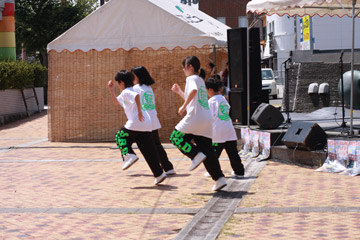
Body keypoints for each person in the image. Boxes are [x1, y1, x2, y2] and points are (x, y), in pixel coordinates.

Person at [170, 55, 227, 191]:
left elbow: (193, 92)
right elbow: (193, 97)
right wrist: (179, 92)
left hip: (195, 117)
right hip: (206, 118)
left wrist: (183, 107)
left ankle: (195, 154)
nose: (183, 71)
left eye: (184, 68)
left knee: (175, 137)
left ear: (190, 67)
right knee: (207, 150)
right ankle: (219, 179)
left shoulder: (191, 78)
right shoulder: (201, 80)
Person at [107, 70, 166, 185]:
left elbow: (137, 96)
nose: (118, 85)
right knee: (148, 150)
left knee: (120, 136)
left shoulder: (127, 92)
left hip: (137, 121)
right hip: (146, 123)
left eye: (118, 83)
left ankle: (128, 155)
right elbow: (115, 102)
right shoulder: (128, 91)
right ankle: (159, 174)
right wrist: (111, 90)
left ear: (122, 82)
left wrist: (139, 112)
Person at [131, 66, 175, 175]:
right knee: (156, 145)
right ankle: (168, 167)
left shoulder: (136, 88)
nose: (132, 78)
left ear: (138, 76)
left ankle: (129, 155)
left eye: (133, 75)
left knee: (128, 139)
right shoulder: (148, 87)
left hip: (144, 121)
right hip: (153, 118)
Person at [205, 77, 245, 178]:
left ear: (209, 89)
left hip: (218, 131)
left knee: (214, 154)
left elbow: (210, 117)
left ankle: (213, 171)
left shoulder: (211, 101)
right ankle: (239, 172)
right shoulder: (223, 99)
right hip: (229, 130)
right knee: (233, 153)